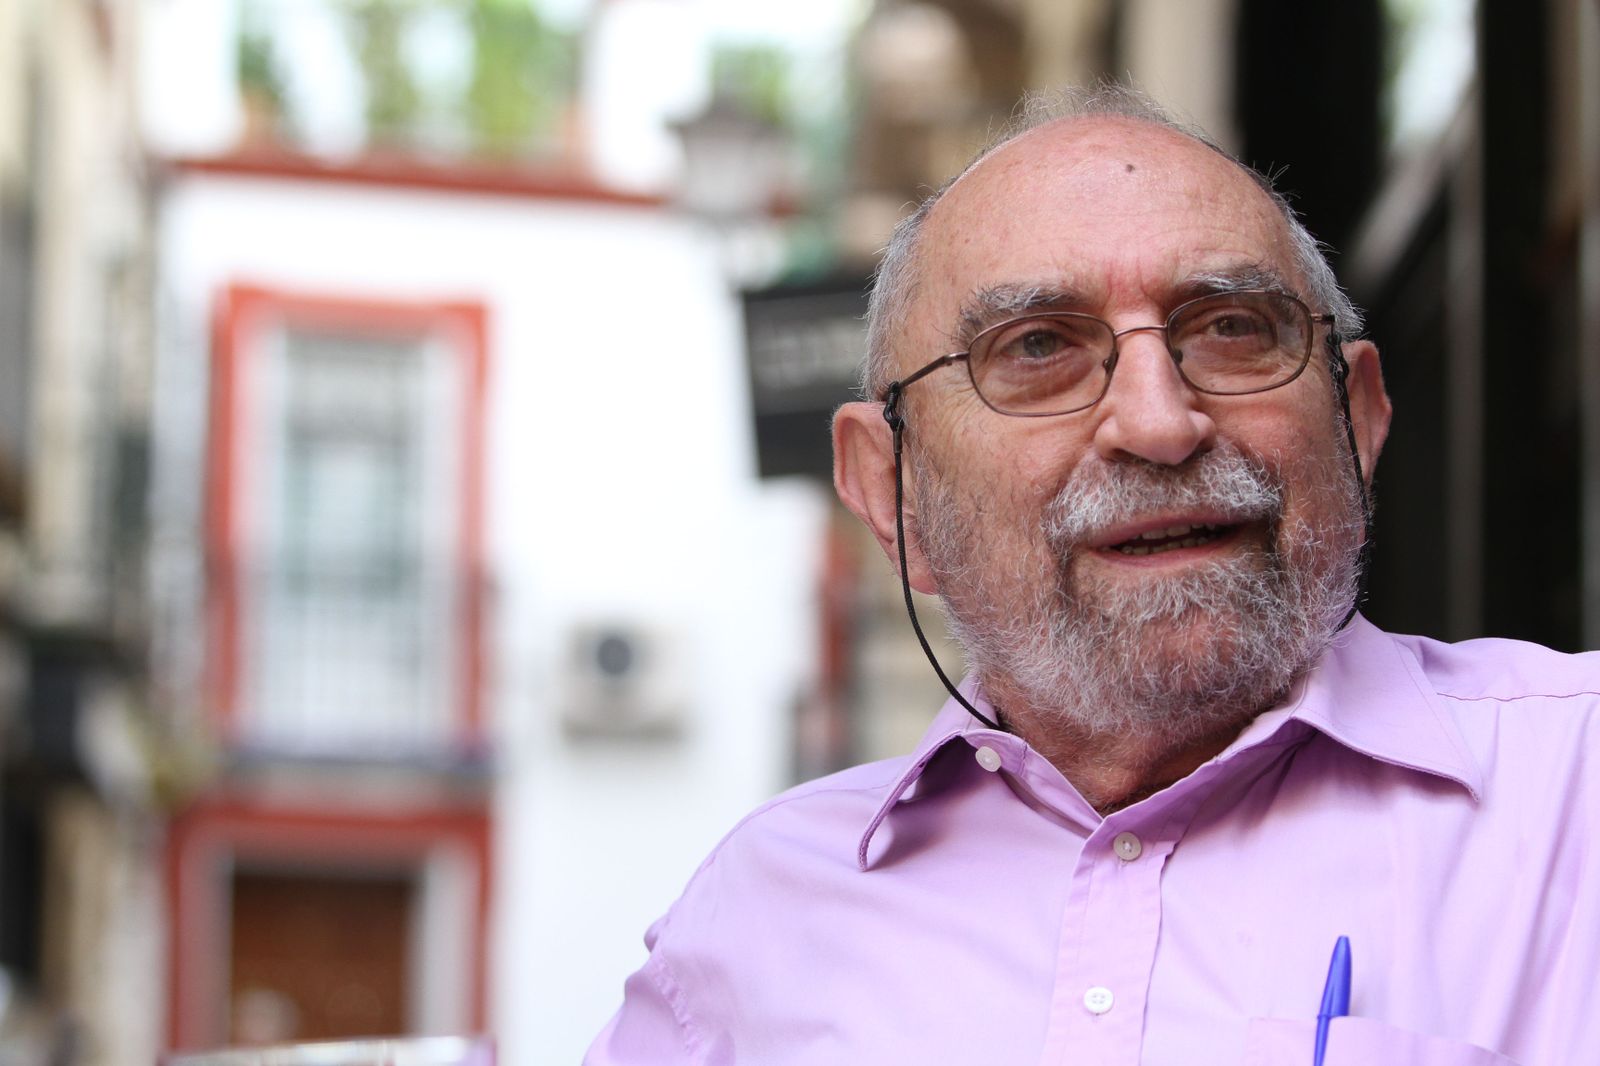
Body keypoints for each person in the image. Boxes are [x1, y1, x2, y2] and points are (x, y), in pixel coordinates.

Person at [585, 86, 1600, 1065]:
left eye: (1233, 327)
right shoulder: (757, 925)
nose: (1159, 424)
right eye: (1036, 348)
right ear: (890, 491)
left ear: (1359, 418)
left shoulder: (1573, 790)